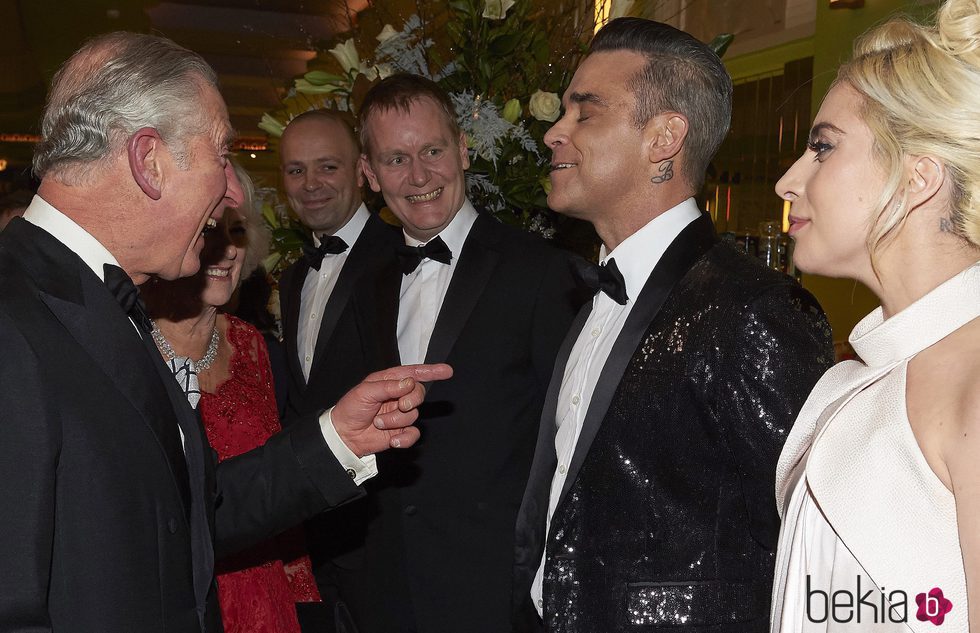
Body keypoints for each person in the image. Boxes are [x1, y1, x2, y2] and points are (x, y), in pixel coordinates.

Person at [0, 32, 450, 633]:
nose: (235, 192)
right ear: (148, 160)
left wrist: (337, 438)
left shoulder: (110, 302)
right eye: (220, 154)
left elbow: (191, 511)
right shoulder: (13, 317)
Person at [512, 18, 835, 633]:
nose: (554, 133)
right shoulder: (591, 295)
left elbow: (812, 543)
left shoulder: (752, 310)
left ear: (664, 138)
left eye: (586, 113)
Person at [331, 73, 581, 633]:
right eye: (395, 159)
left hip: (496, 591)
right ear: (369, 174)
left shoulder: (542, 271)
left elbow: (569, 439)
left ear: (463, 150)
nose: (418, 176)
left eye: (433, 151)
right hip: (384, 591)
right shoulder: (362, 282)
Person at [770, 1, 980, 630]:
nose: (788, 180)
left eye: (823, 148)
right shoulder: (860, 380)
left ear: (918, 177)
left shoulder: (971, 379)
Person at [142, 162, 320, 633]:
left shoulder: (252, 344)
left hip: (262, 594)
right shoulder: (129, 344)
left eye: (237, 231)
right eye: (209, 230)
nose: (226, 250)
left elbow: (274, 486)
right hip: (173, 599)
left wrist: (296, 591)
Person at [276, 108, 402, 623]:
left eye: (327, 167)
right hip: (314, 531)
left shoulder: (402, 257)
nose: (311, 184)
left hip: (384, 531)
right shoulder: (291, 279)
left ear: (362, 173)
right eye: (295, 170)